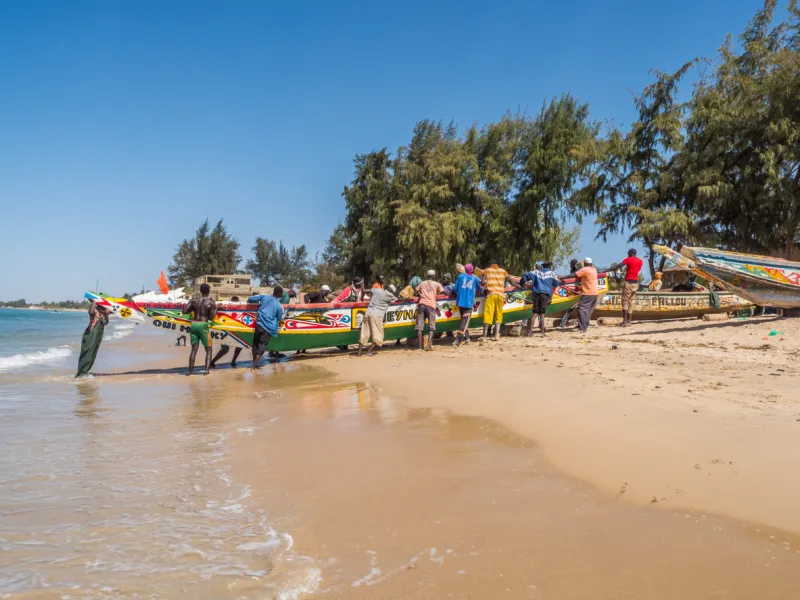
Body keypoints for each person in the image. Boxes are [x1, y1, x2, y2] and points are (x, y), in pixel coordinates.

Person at [182, 283, 217, 375]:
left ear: (201, 291)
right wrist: (217, 308)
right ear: (208, 291)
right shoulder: (211, 302)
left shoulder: (193, 301)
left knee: (194, 350)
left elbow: (184, 311)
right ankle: (206, 370)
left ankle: (190, 372)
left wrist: (193, 309)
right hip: (203, 325)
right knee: (209, 349)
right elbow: (211, 317)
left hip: (194, 325)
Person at [246, 286, 285, 370]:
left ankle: (255, 364)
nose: (282, 294)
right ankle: (254, 366)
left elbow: (250, 298)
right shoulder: (278, 305)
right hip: (268, 327)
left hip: (259, 324)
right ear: (279, 293)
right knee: (262, 346)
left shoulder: (264, 297)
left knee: (255, 345)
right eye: (282, 293)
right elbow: (279, 318)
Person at [519, 262, 561, 336]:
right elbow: (557, 283)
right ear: (549, 267)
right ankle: (542, 333)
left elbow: (525, 275)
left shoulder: (536, 272)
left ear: (542, 267)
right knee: (542, 314)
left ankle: (530, 332)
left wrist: (522, 283)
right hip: (545, 294)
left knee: (534, 313)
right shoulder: (552, 273)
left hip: (536, 293)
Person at [358, 284, 398, 356]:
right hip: (377, 315)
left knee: (364, 334)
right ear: (392, 291)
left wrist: (360, 297)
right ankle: (369, 351)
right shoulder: (390, 295)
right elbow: (399, 301)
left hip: (368, 313)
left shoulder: (377, 290)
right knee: (378, 335)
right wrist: (407, 299)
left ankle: (359, 353)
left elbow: (366, 290)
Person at [608, 249, 644, 327]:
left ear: (630, 253)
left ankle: (624, 321)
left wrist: (606, 270)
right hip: (636, 283)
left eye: (628, 253)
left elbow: (618, 266)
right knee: (631, 302)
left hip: (629, 282)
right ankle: (629, 321)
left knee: (625, 301)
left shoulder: (628, 259)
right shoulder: (640, 261)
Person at [75, 301, 110, 377]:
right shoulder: (94, 311)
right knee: (87, 353)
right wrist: (95, 300)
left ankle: (85, 372)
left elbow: (113, 309)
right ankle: (81, 373)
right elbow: (91, 311)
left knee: (93, 354)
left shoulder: (104, 313)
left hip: (97, 337)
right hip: (90, 335)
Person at [452, 264, 482, 346]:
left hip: (460, 303)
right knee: (464, 322)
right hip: (468, 303)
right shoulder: (475, 278)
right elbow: (481, 289)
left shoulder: (460, 276)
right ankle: (458, 340)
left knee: (464, 321)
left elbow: (454, 289)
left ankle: (468, 338)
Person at [481, 259, 511, 341]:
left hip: (491, 295)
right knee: (499, 314)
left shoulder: (486, 270)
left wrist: (484, 283)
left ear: (490, 264)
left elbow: (482, 282)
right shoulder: (503, 271)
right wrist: (519, 286)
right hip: (500, 295)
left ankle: (484, 337)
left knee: (488, 314)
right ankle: (497, 335)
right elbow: (510, 280)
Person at [209, 296, 243, 368]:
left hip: (234, 330)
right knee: (225, 349)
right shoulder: (226, 308)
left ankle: (233, 361)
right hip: (225, 330)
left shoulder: (239, 309)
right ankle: (212, 362)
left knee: (239, 346)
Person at [415, 270, 444, 351]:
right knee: (431, 326)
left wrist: (420, 294)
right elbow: (443, 292)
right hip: (431, 306)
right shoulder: (436, 284)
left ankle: (420, 347)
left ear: (426, 275)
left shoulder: (422, 283)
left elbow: (416, 290)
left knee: (419, 326)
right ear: (434, 276)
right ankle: (428, 345)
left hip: (421, 304)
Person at [574, 258, 598, 334]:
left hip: (588, 293)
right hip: (595, 293)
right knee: (588, 310)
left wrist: (562, 278)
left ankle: (583, 328)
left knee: (582, 308)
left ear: (585, 264)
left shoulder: (585, 270)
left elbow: (574, 275)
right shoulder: (594, 269)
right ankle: (585, 325)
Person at [559, 259, 582, 328]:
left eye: (571, 264)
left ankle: (563, 323)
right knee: (573, 308)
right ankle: (563, 323)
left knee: (576, 309)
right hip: (575, 291)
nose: (570, 266)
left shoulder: (578, 270)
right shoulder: (573, 271)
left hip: (578, 291)